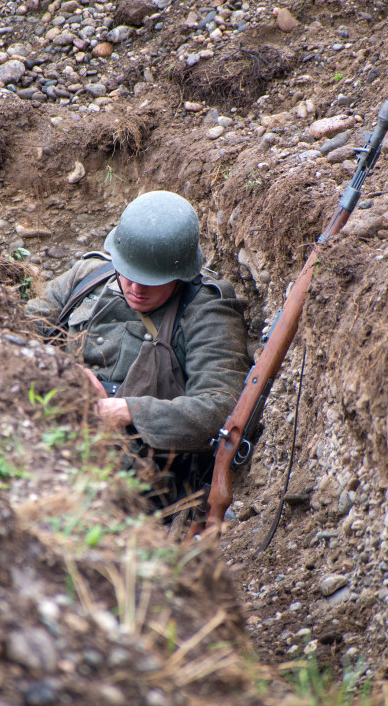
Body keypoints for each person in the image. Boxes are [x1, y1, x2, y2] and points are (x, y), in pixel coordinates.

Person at [26, 190, 250, 504]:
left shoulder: (206, 308)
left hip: (135, 473)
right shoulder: (87, 276)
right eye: (129, 274)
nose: (136, 288)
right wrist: (62, 368)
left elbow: (221, 407)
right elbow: (16, 330)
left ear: (180, 273)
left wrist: (128, 411)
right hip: (50, 430)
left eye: (153, 280)